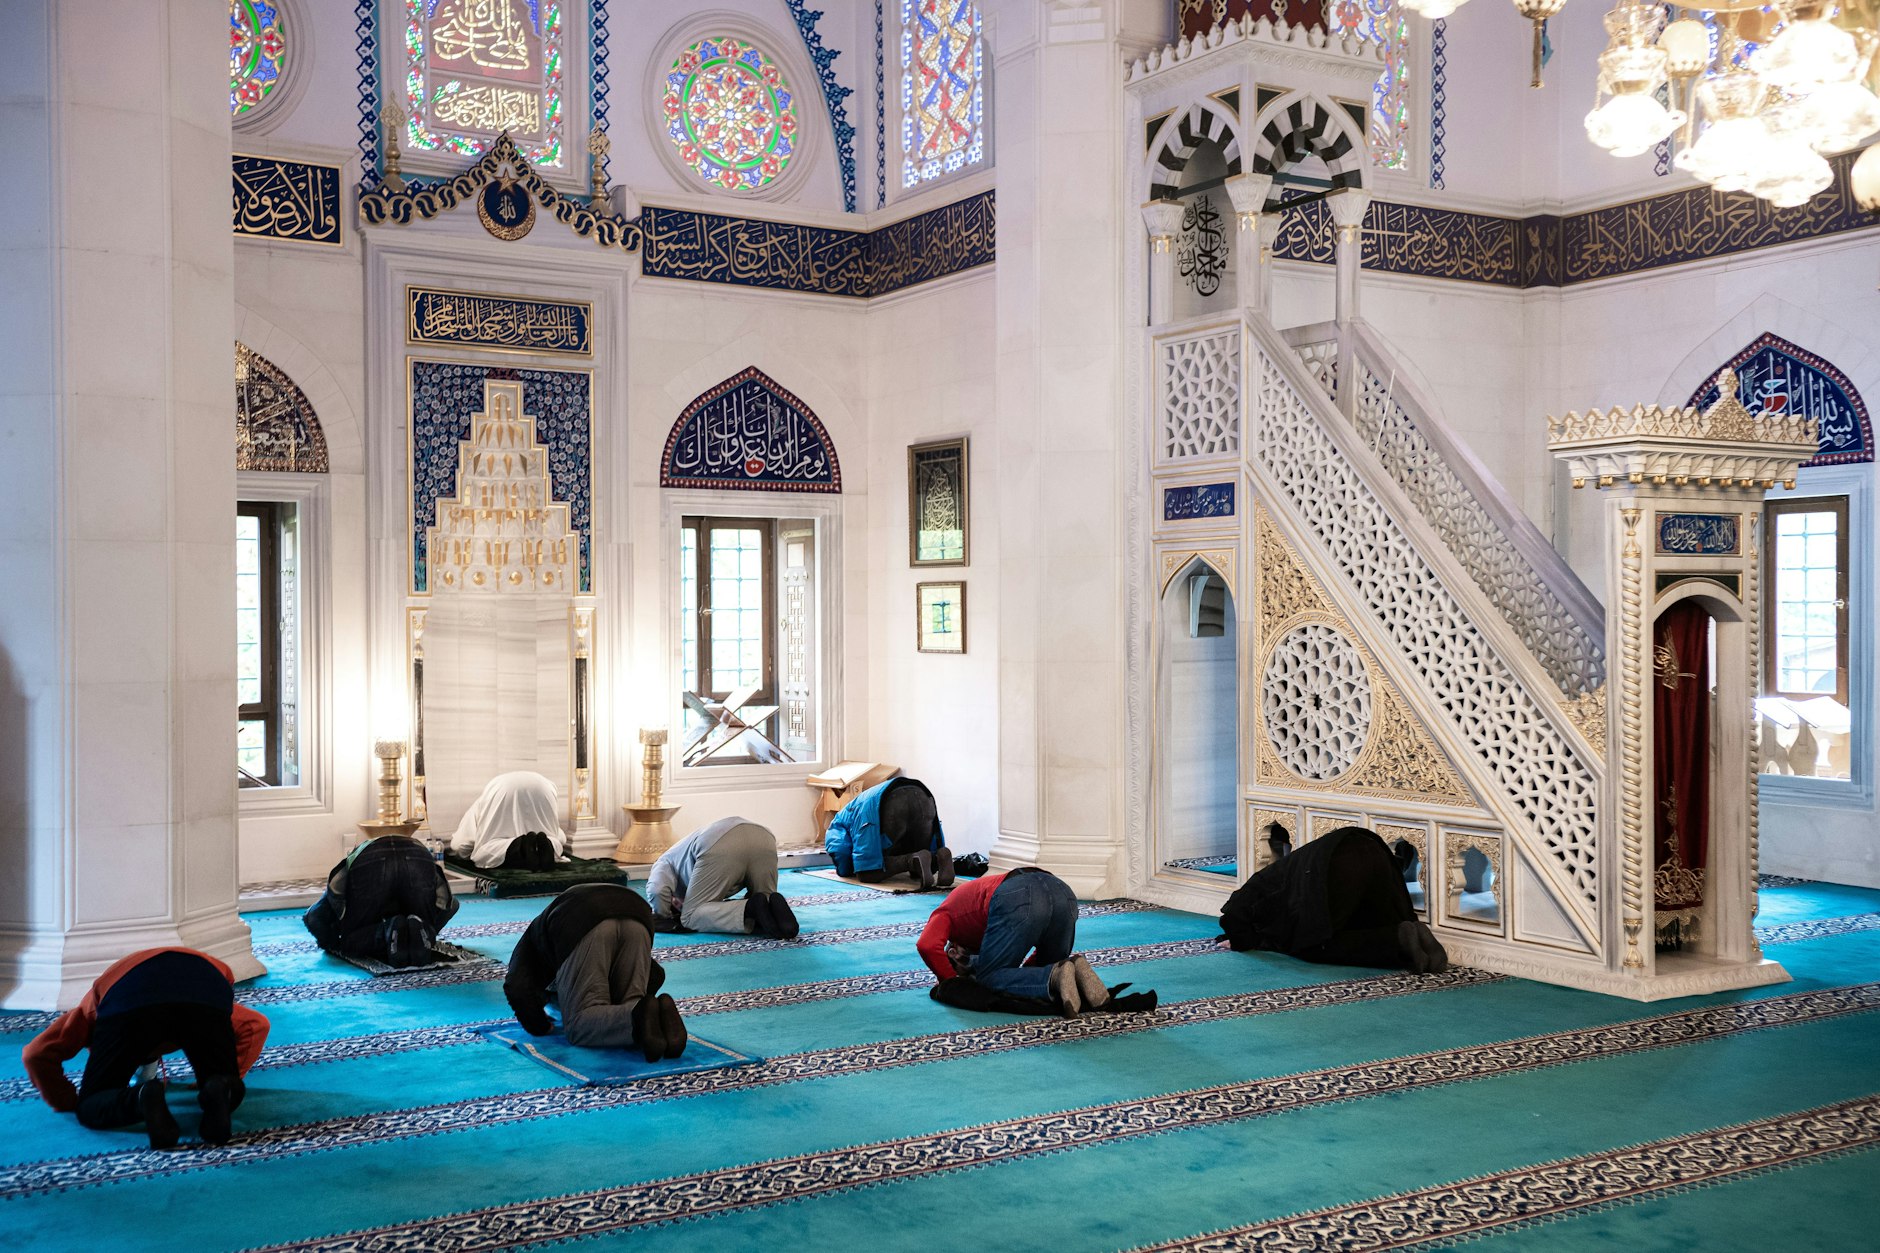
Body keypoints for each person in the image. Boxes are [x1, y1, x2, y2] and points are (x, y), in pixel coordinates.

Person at [22, 948, 271, 1149]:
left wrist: (67, 1101)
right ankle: (221, 1089)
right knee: (223, 1081)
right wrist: (227, 1075)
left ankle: (141, 1097)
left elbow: (36, 1054)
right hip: (206, 987)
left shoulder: (92, 1008)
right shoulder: (197, 985)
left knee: (93, 1107)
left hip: (130, 998)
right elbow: (255, 1025)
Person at [1219, 824, 1449, 973]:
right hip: (1371, 848)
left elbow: (1233, 917)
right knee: (1363, 925)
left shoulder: (1248, 895)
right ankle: (1412, 934)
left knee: (1313, 945)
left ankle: (1398, 939)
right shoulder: (1276, 884)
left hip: (1338, 863)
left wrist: (1241, 940)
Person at [504, 882, 685, 1063]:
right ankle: (662, 1024)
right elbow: (654, 974)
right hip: (638, 912)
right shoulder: (546, 934)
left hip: (581, 918)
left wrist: (540, 1027)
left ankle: (637, 1017)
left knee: (579, 1024)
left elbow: (516, 987)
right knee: (631, 1002)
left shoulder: (530, 948)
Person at [915, 867, 1112, 1016]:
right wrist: (1035, 972)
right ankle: (1075, 968)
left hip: (1019, 894)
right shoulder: (982, 923)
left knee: (989, 978)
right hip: (1063, 892)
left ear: (954, 952)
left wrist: (952, 984)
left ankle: (1055, 976)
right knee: (1052, 968)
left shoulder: (946, 912)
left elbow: (926, 945)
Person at [303, 834, 462, 966]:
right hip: (419, 855)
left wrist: (333, 943)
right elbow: (452, 905)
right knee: (423, 922)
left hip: (372, 857)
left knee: (351, 942)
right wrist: (431, 927)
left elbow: (313, 918)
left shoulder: (345, 886)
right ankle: (419, 928)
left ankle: (389, 930)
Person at [646, 817, 799, 938]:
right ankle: (787, 928)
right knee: (766, 902)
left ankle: (750, 907)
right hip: (764, 837)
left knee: (690, 916)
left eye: (675, 904)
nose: (679, 905)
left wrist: (664, 916)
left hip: (719, 844)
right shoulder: (681, 854)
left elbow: (657, 890)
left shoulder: (664, 860)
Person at [824, 776, 954, 887]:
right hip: (922, 795)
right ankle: (939, 857)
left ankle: (911, 860)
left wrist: (846, 869)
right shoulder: (852, 810)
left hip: (893, 803)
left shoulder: (837, 826)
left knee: (867, 873)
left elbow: (842, 858)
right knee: (922, 862)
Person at [450, 770, 567, 870]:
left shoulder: (477, 806)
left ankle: (520, 846)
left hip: (502, 788)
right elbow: (560, 836)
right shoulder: (485, 802)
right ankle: (549, 846)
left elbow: (461, 846)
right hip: (544, 786)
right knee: (554, 838)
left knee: (486, 850)